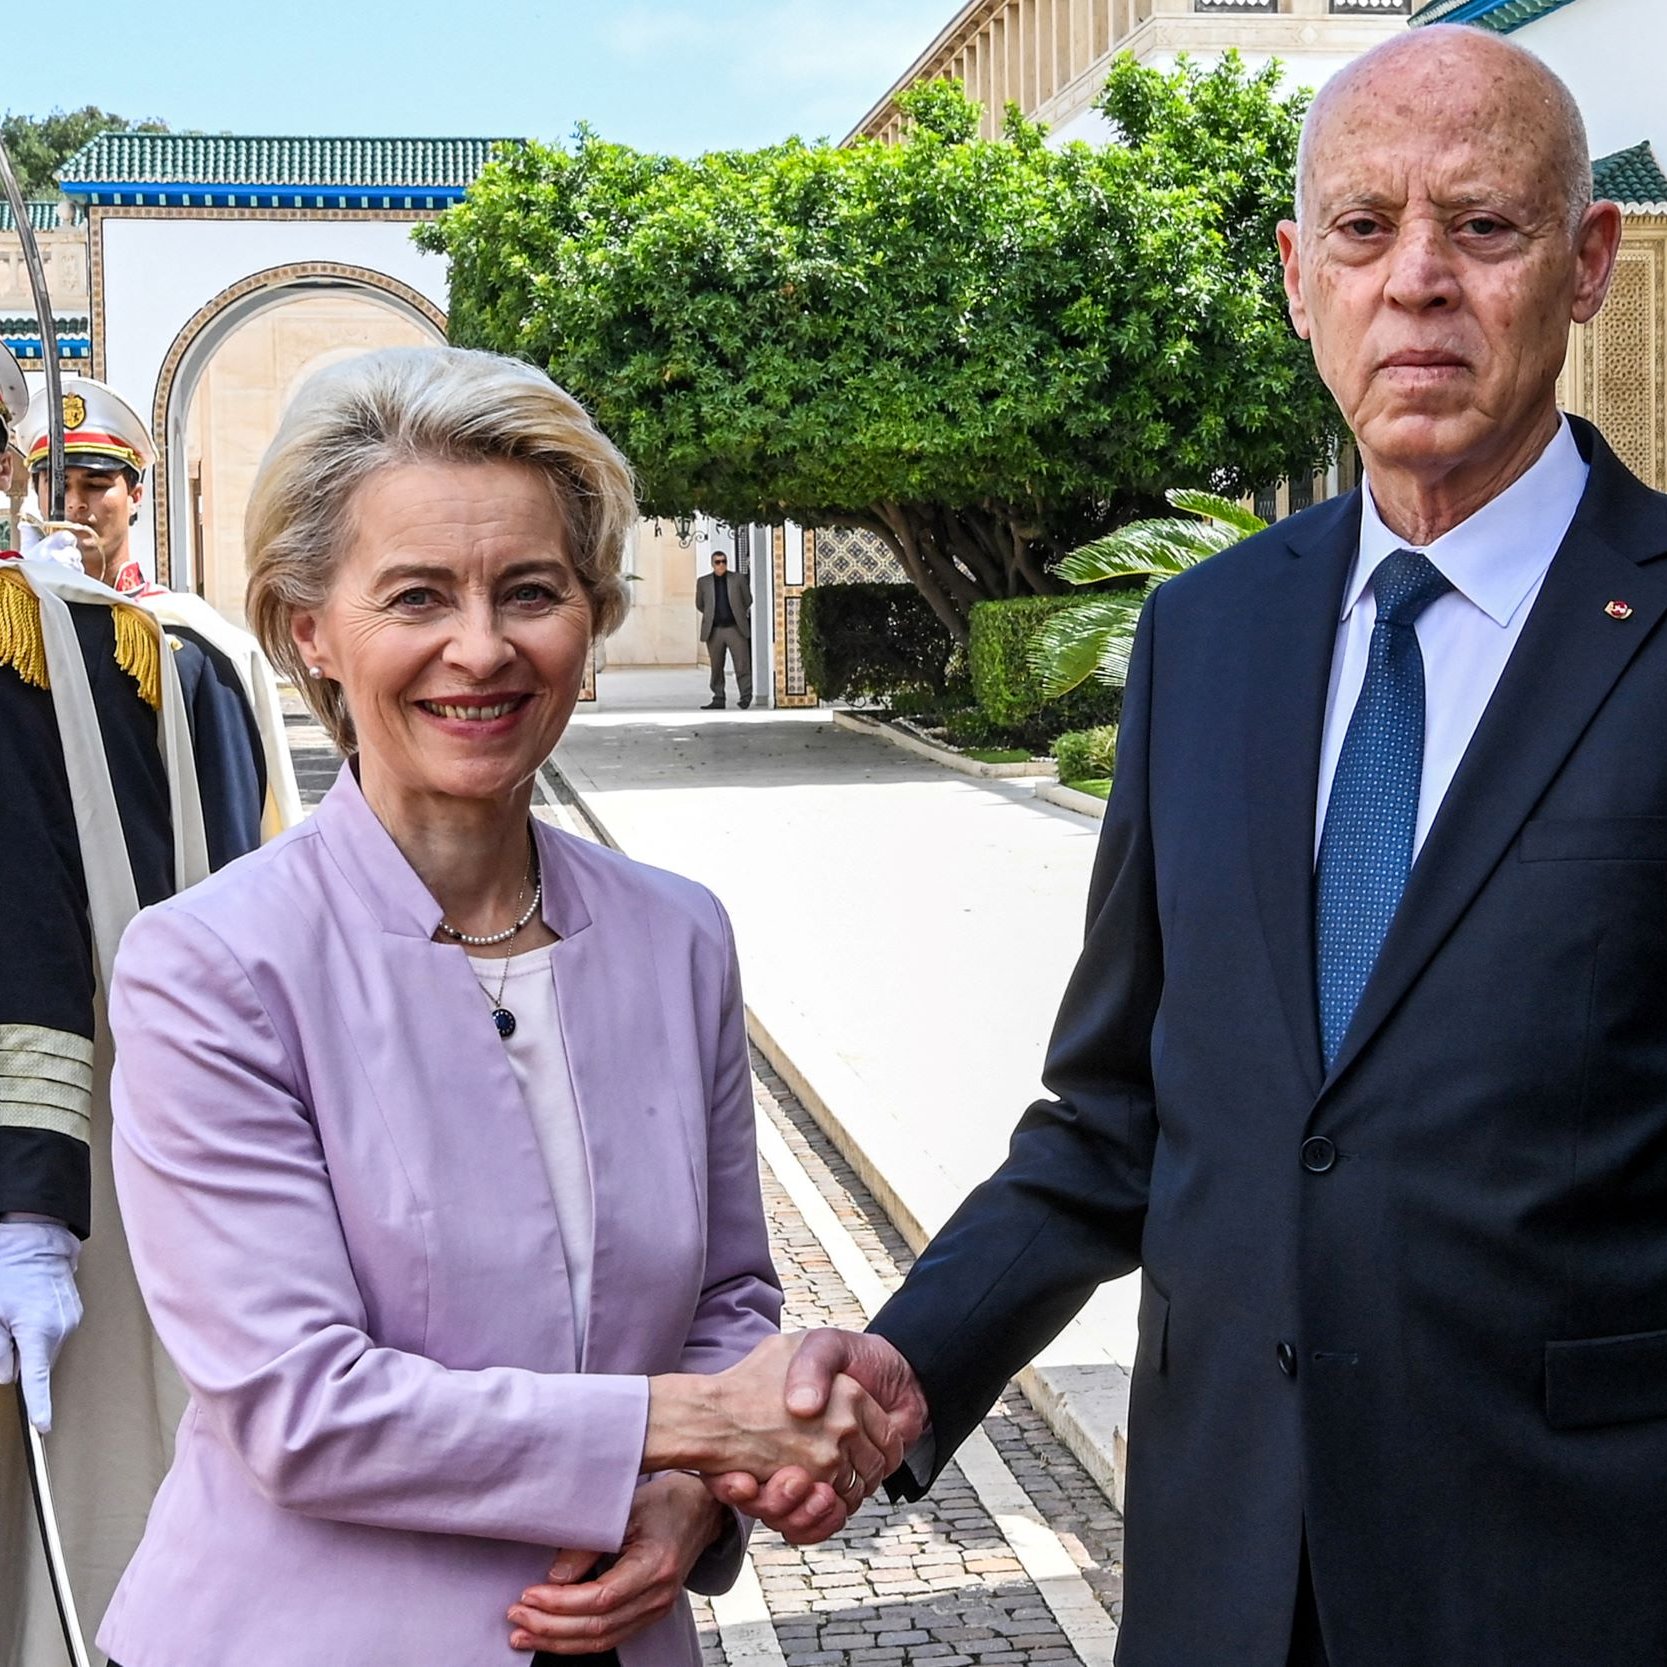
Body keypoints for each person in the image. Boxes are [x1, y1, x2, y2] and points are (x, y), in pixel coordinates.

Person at [721, 25, 1665, 1667]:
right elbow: (1116, 1112)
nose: (1416, 281)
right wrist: (911, 1358)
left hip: (1569, 1581)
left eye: (1483, 227)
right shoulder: (1205, 634)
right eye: (1364, 231)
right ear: (1300, 278)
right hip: (1224, 1574)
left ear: (1583, 264)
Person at [98, 347, 899, 1667]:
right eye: (416, 594)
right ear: (310, 625)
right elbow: (306, 1407)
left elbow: (728, 1295)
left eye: (529, 590)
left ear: (586, 615)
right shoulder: (210, 966)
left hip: (620, 1636)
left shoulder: (676, 933)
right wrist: (702, 1424)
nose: (481, 645)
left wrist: (683, 1495)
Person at [0, 354, 270, 1665]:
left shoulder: (146, 653)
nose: (71, 499)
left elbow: (203, 891)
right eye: (54, 475)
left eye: (91, 477)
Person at [20, 375, 302, 837]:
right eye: (57, 484)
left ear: (134, 496)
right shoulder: (17, 629)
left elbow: (233, 816)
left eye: (95, 484)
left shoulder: (190, 636)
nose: (74, 505)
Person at [695, 549, 751, 709]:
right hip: (714, 630)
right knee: (716, 665)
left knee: (742, 664)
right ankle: (718, 697)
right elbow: (699, 604)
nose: (721, 565)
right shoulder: (703, 582)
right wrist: (711, 615)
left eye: (724, 561)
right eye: (718, 562)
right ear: (713, 564)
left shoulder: (738, 579)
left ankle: (745, 696)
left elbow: (747, 599)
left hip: (735, 628)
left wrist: (738, 613)